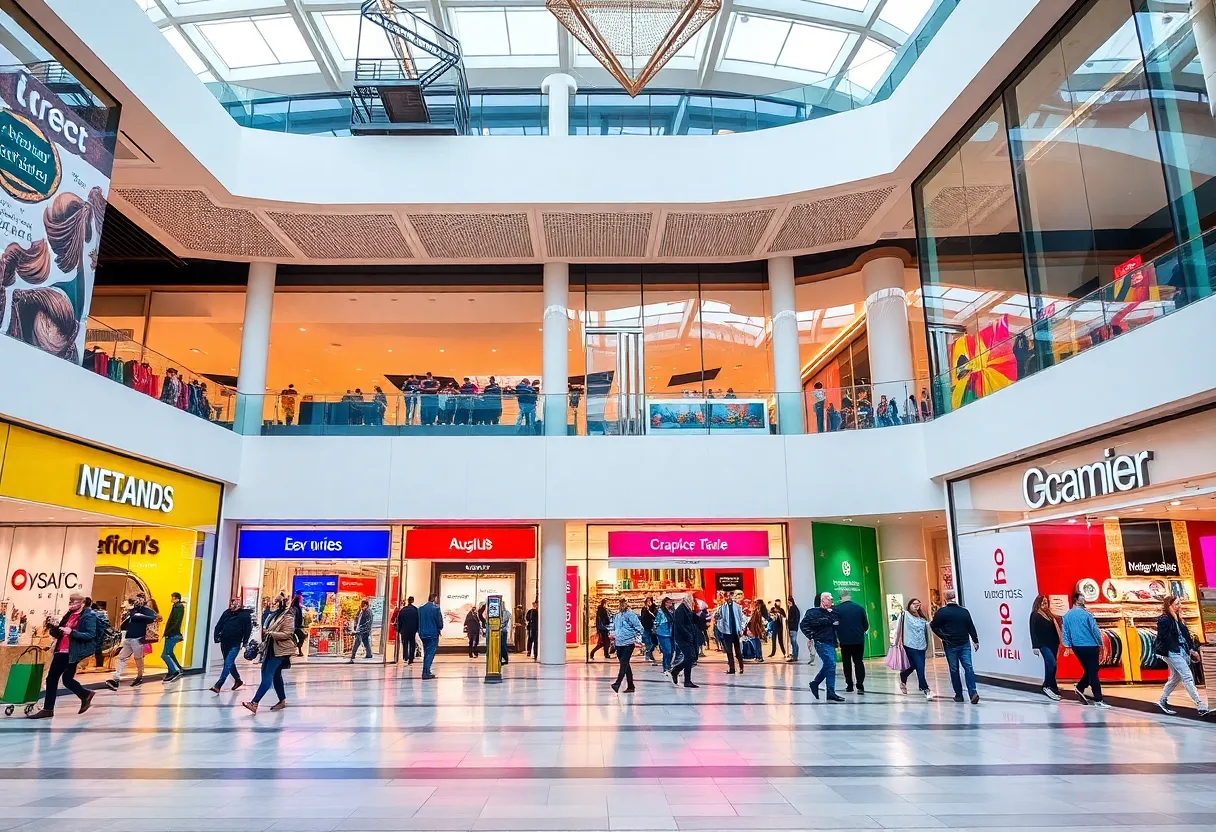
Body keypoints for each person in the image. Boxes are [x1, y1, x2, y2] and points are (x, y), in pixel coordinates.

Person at [28, 592, 99, 719]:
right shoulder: (69, 615)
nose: (71, 605)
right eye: (70, 603)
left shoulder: (88, 616)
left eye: (74, 603)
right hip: (61, 650)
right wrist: (53, 628)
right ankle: (85, 694)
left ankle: (49, 708)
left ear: (82, 603)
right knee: (63, 679)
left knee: (56, 679)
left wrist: (72, 632)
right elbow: (61, 633)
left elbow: (90, 635)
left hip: (72, 653)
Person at [1155, 595, 1206, 716]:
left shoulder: (1179, 619)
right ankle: (1200, 704)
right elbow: (1164, 638)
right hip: (1171, 652)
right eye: (1177, 604)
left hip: (1181, 651)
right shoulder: (1164, 620)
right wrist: (1171, 650)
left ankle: (1162, 700)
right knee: (1187, 676)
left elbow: (1186, 637)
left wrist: (1192, 650)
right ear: (1169, 605)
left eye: (1179, 603)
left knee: (1176, 677)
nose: (1179, 606)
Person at [243, 596, 293, 713]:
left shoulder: (288, 617)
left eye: (276, 602)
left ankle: (254, 703)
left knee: (267, 676)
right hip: (270, 649)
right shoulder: (273, 616)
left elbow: (287, 634)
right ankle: (282, 700)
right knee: (275, 676)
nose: (273, 603)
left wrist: (269, 633)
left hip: (280, 651)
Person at [930, 590, 980, 704]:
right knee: (968, 667)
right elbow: (970, 626)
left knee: (954, 669)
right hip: (964, 643)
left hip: (950, 644)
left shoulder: (941, 612)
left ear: (945, 599)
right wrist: (975, 640)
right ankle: (973, 692)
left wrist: (943, 636)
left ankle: (958, 694)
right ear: (955, 597)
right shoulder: (964, 612)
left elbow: (934, 626)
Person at [1061, 591, 1107, 708]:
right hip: (1090, 645)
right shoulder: (1087, 615)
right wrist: (1100, 643)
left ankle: (1080, 687)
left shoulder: (1066, 616)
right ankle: (1098, 699)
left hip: (1077, 647)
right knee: (1093, 671)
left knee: (1090, 670)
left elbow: (1065, 632)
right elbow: (1095, 630)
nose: (1084, 600)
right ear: (1076, 599)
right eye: (1082, 598)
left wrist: (1067, 646)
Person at [106, 592, 156, 690]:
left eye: (140, 598)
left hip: (138, 638)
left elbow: (152, 618)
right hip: (129, 638)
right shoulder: (133, 610)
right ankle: (116, 678)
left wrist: (140, 616)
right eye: (137, 598)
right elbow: (133, 617)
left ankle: (139, 677)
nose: (138, 600)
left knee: (138, 659)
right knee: (121, 657)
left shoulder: (146, 611)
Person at [801, 592, 844, 701]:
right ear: (822, 600)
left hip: (831, 641)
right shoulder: (813, 612)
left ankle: (829, 691)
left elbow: (837, 621)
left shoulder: (832, 612)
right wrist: (811, 635)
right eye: (829, 599)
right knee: (830, 663)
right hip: (821, 641)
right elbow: (805, 624)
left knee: (831, 666)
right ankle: (817, 683)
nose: (831, 601)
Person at [210, 597, 253, 693]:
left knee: (228, 663)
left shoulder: (244, 616)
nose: (231, 606)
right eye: (231, 604)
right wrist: (216, 636)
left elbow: (247, 629)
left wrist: (245, 642)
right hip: (225, 641)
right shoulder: (227, 613)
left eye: (233, 604)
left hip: (236, 642)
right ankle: (237, 680)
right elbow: (219, 624)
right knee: (229, 663)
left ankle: (218, 685)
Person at [833, 590, 868, 693]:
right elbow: (865, 625)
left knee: (846, 663)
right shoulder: (859, 608)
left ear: (840, 598)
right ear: (849, 596)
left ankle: (849, 685)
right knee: (858, 661)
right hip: (858, 640)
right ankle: (860, 684)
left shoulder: (836, 610)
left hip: (844, 640)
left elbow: (835, 626)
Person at [897, 598, 933, 699]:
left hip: (921, 645)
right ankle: (925, 688)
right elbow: (898, 628)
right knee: (920, 666)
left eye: (918, 604)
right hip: (910, 645)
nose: (916, 606)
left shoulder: (922, 618)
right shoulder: (905, 614)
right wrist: (895, 642)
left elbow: (927, 629)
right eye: (914, 604)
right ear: (909, 605)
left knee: (914, 665)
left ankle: (903, 675)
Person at [1028, 594, 1062, 701]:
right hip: (1043, 644)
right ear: (1038, 602)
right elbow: (1033, 631)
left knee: (1052, 665)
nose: (1044, 604)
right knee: (1051, 663)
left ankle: (1050, 685)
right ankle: (1048, 686)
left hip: (1053, 643)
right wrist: (1035, 646)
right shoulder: (1035, 614)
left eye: (1046, 602)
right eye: (1043, 602)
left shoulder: (1050, 615)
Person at [611, 599, 644, 694]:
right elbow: (615, 628)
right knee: (625, 665)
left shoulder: (631, 615)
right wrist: (613, 637)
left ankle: (617, 684)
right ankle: (631, 685)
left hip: (628, 643)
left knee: (623, 664)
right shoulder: (617, 616)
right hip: (619, 643)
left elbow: (640, 628)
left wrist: (636, 638)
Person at [669, 595, 700, 688]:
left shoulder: (688, 609)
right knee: (690, 656)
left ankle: (676, 670)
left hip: (690, 636)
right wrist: (688, 635)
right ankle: (687, 680)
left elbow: (694, 621)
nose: (693, 602)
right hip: (682, 637)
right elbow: (680, 625)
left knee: (693, 657)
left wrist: (697, 612)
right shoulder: (680, 610)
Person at [715, 591, 745, 674]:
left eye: (729, 596)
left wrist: (741, 629)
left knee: (738, 651)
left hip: (736, 632)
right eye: (726, 596)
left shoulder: (738, 607)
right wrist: (718, 620)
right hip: (727, 632)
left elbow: (741, 619)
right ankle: (732, 669)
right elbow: (718, 618)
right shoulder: (722, 607)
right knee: (729, 651)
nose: (728, 598)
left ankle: (741, 667)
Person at [161, 591, 186, 683]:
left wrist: (168, 632)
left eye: (173, 597)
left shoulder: (178, 607)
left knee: (165, 654)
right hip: (173, 633)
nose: (171, 599)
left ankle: (174, 671)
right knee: (170, 653)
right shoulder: (177, 607)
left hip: (172, 634)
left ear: (177, 598)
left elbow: (176, 622)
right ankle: (175, 669)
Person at [419, 593, 443, 679]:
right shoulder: (435, 608)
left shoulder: (421, 608)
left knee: (426, 652)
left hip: (423, 633)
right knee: (430, 653)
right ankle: (426, 672)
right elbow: (439, 622)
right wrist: (440, 627)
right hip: (432, 633)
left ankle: (426, 670)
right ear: (434, 598)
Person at [396, 596, 419, 665]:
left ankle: (405, 657)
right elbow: (418, 620)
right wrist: (417, 629)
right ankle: (411, 658)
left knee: (405, 643)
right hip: (412, 630)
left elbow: (399, 621)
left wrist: (399, 629)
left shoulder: (403, 610)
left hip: (404, 629)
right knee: (412, 643)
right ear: (413, 601)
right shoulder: (415, 610)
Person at [655, 597, 675, 672]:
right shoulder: (660, 611)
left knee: (672, 650)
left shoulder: (672, 611)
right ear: (665, 603)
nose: (670, 603)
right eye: (669, 602)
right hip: (663, 632)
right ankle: (666, 666)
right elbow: (657, 621)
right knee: (667, 650)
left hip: (671, 632)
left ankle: (668, 664)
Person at [639, 598, 657, 663]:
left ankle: (649, 654)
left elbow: (654, 616)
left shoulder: (653, 609)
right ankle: (648, 655)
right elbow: (643, 618)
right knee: (648, 642)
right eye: (648, 601)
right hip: (646, 628)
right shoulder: (644, 609)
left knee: (653, 642)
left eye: (650, 601)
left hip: (652, 628)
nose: (649, 603)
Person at [290, 592, 306, 657]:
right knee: (302, 636)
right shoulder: (295, 608)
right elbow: (293, 618)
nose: (302, 600)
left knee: (301, 636)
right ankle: (298, 649)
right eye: (301, 599)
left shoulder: (298, 608)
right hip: (295, 627)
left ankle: (299, 649)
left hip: (297, 626)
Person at [786, 596, 801, 663]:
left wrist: (791, 624)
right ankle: (795, 655)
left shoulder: (792, 609)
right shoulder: (795, 608)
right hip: (794, 627)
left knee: (793, 642)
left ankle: (795, 656)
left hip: (793, 628)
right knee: (794, 642)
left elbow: (793, 619)